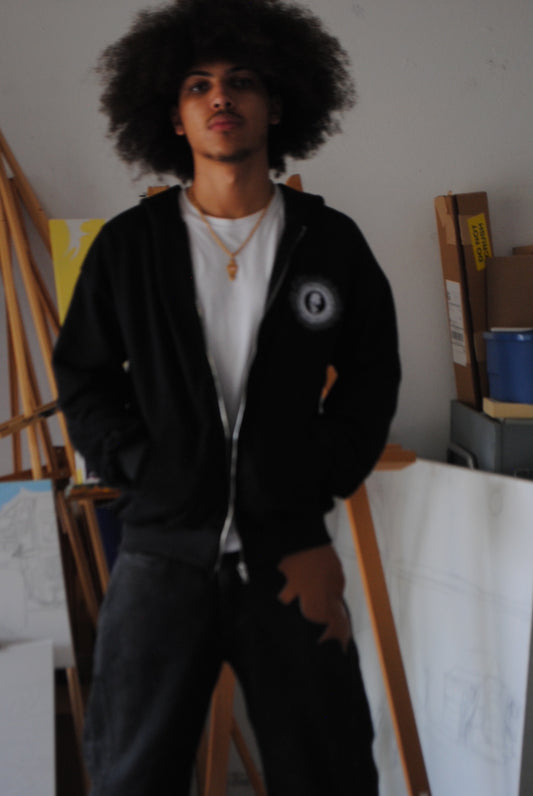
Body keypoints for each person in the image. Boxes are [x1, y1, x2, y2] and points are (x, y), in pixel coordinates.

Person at [53, 0, 401, 793]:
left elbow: (372, 373)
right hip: (159, 556)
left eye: (241, 81)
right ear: (173, 117)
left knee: (330, 771)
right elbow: (83, 376)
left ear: (276, 105)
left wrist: (320, 473)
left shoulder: (329, 242)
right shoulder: (129, 248)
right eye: (197, 85)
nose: (219, 97)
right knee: (131, 774)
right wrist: (140, 466)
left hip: (292, 556)